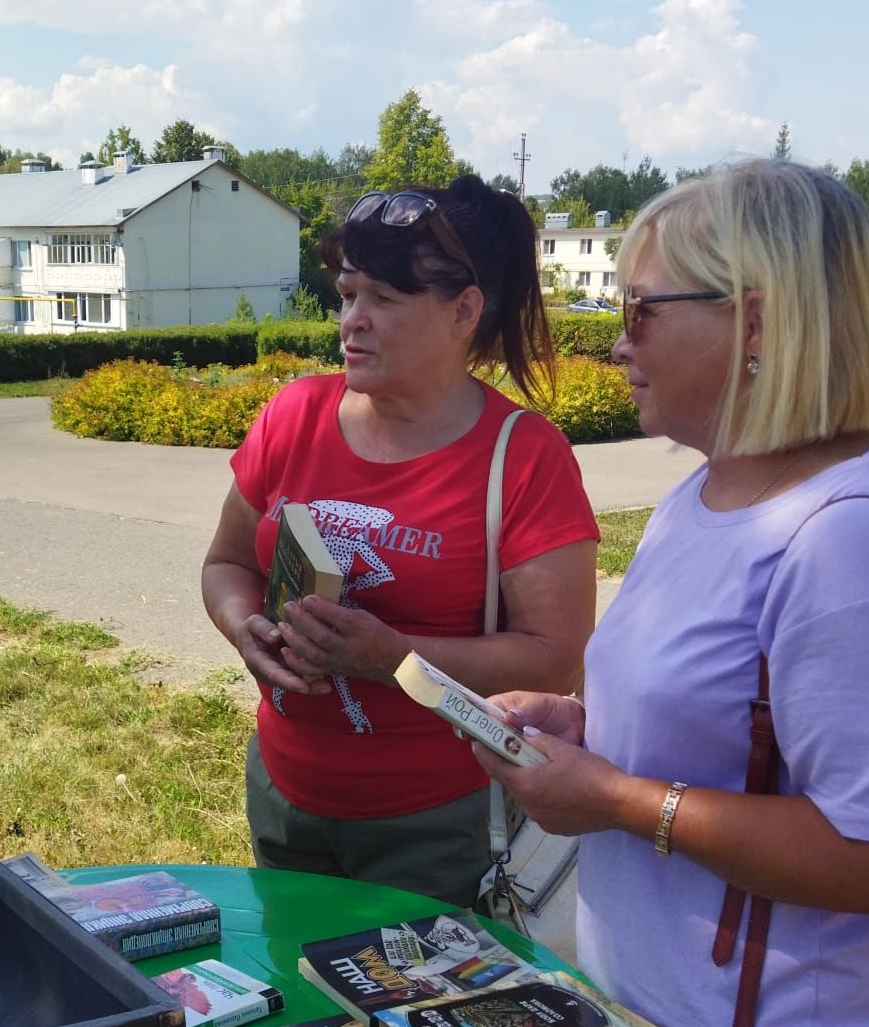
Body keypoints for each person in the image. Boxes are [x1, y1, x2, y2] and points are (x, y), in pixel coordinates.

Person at [470, 159, 869, 1027]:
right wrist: (583, 727)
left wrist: (615, 799)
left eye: (639, 311)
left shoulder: (847, 542)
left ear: (754, 320)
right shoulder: (704, 492)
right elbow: (716, 725)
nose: (614, 342)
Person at [201, 175, 599, 905]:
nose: (352, 321)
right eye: (347, 293)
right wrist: (242, 627)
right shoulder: (295, 414)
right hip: (285, 795)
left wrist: (396, 662)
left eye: (383, 299)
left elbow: (554, 660)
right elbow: (227, 562)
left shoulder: (524, 456)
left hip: (439, 826)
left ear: (463, 311)